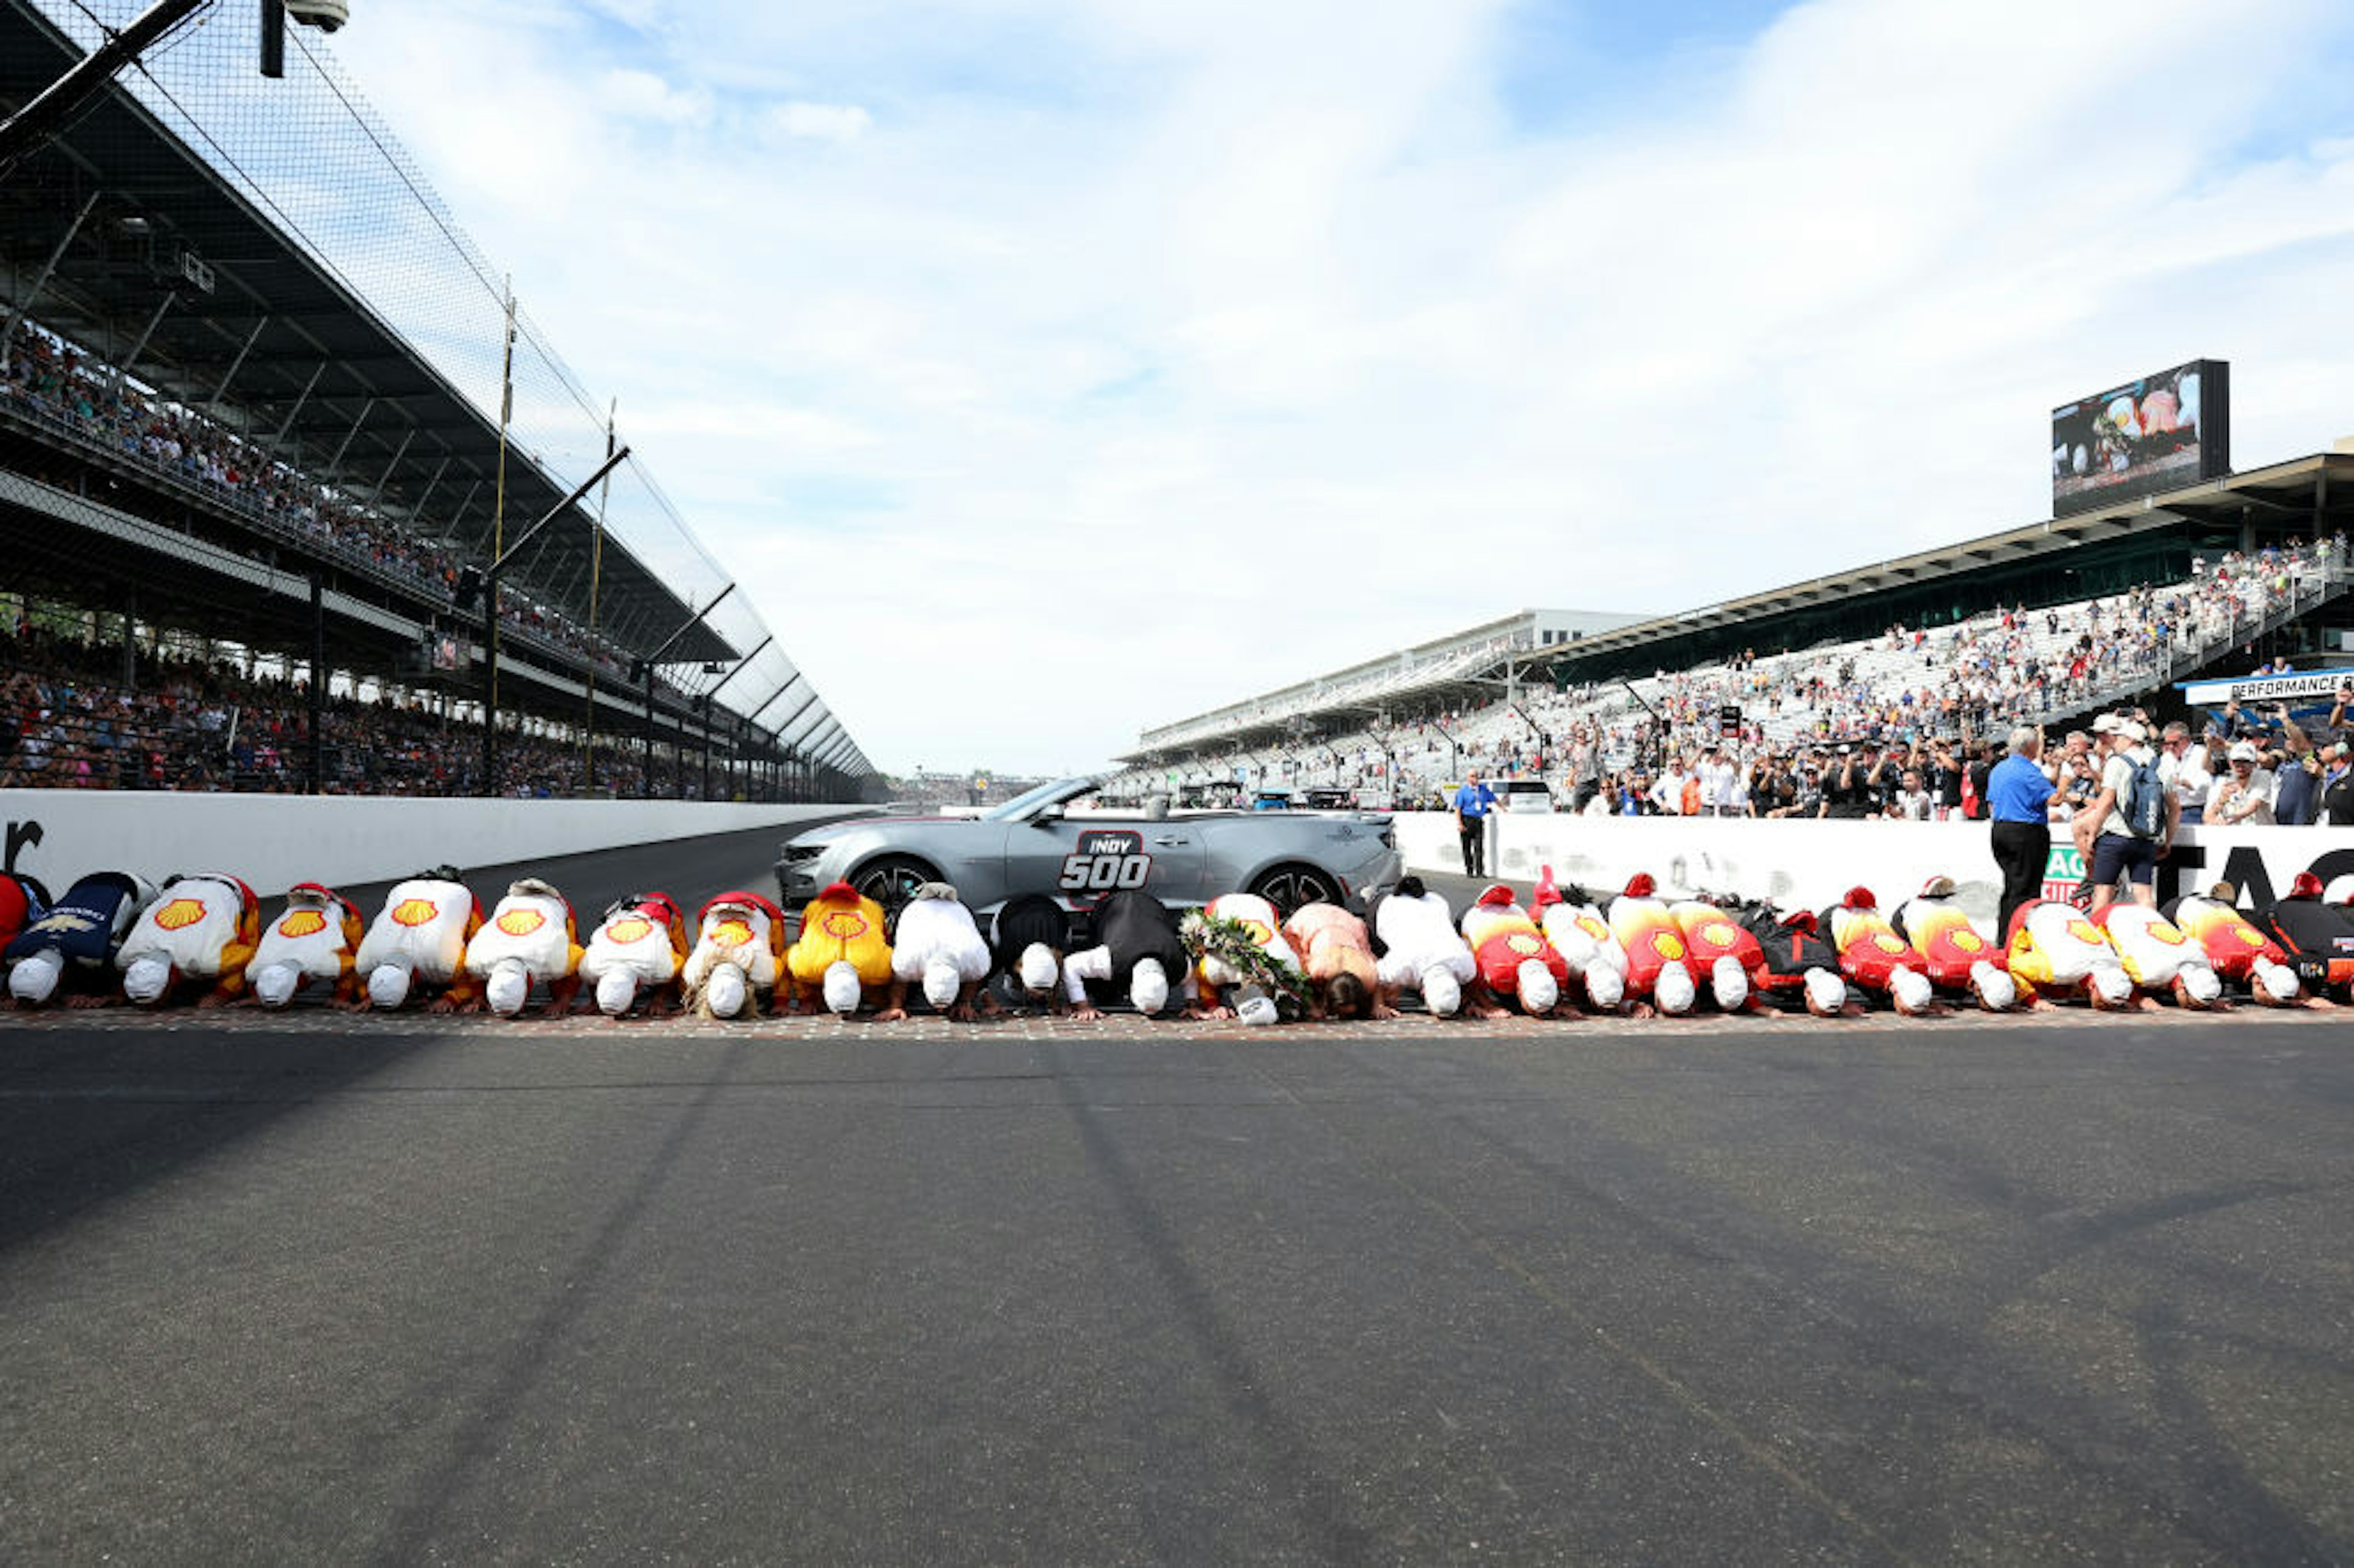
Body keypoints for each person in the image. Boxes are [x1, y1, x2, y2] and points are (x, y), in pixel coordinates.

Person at [2082, 718, 2174, 912]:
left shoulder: (2117, 762)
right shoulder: (2160, 764)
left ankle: (2099, 939)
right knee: (2144, 895)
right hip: (2146, 837)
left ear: (2129, 740)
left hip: (2115, 836)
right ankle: (2151, 935)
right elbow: (2175, 807)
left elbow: (2107, 801)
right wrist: (2167, 841)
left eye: (2119, 738)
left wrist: (2092, 833)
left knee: (2103, 893)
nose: (2115, 741)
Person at [1987, 726, 2055, 937]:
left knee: (2012, 886)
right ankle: (2018, 936)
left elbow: (1991, 801)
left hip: (2001, 828)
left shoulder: (1999, 769)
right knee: (2026, 888)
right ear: (2031, 746)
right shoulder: (2029, 771)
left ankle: (2005, 934)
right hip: (2025, 831)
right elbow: (2054, 798)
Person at [2206, 740, 2277, 826]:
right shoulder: (2221, 781)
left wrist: (2228, 820)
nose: (2240, 766)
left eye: (2246, 761)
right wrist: (2221, 801)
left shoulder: (2264, 776)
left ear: (2254, 764)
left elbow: (2254, 805)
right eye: (2236, 761)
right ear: (2230, 762)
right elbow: (2207, 817)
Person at [1452, 770, 1498, 877]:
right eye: (1472, 776)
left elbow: (1494, 799)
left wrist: (1504, 809)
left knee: (1479, 847)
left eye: (1476, 776)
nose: (1475, 778)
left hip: (1478, 820)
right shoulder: (1463, 791)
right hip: (1466, 820)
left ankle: (1480, 871)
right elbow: (1458, 808)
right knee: (1467, 847)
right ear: (1468, 778)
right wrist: (1460, 824)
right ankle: (1469, 870)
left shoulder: (1483, 789)